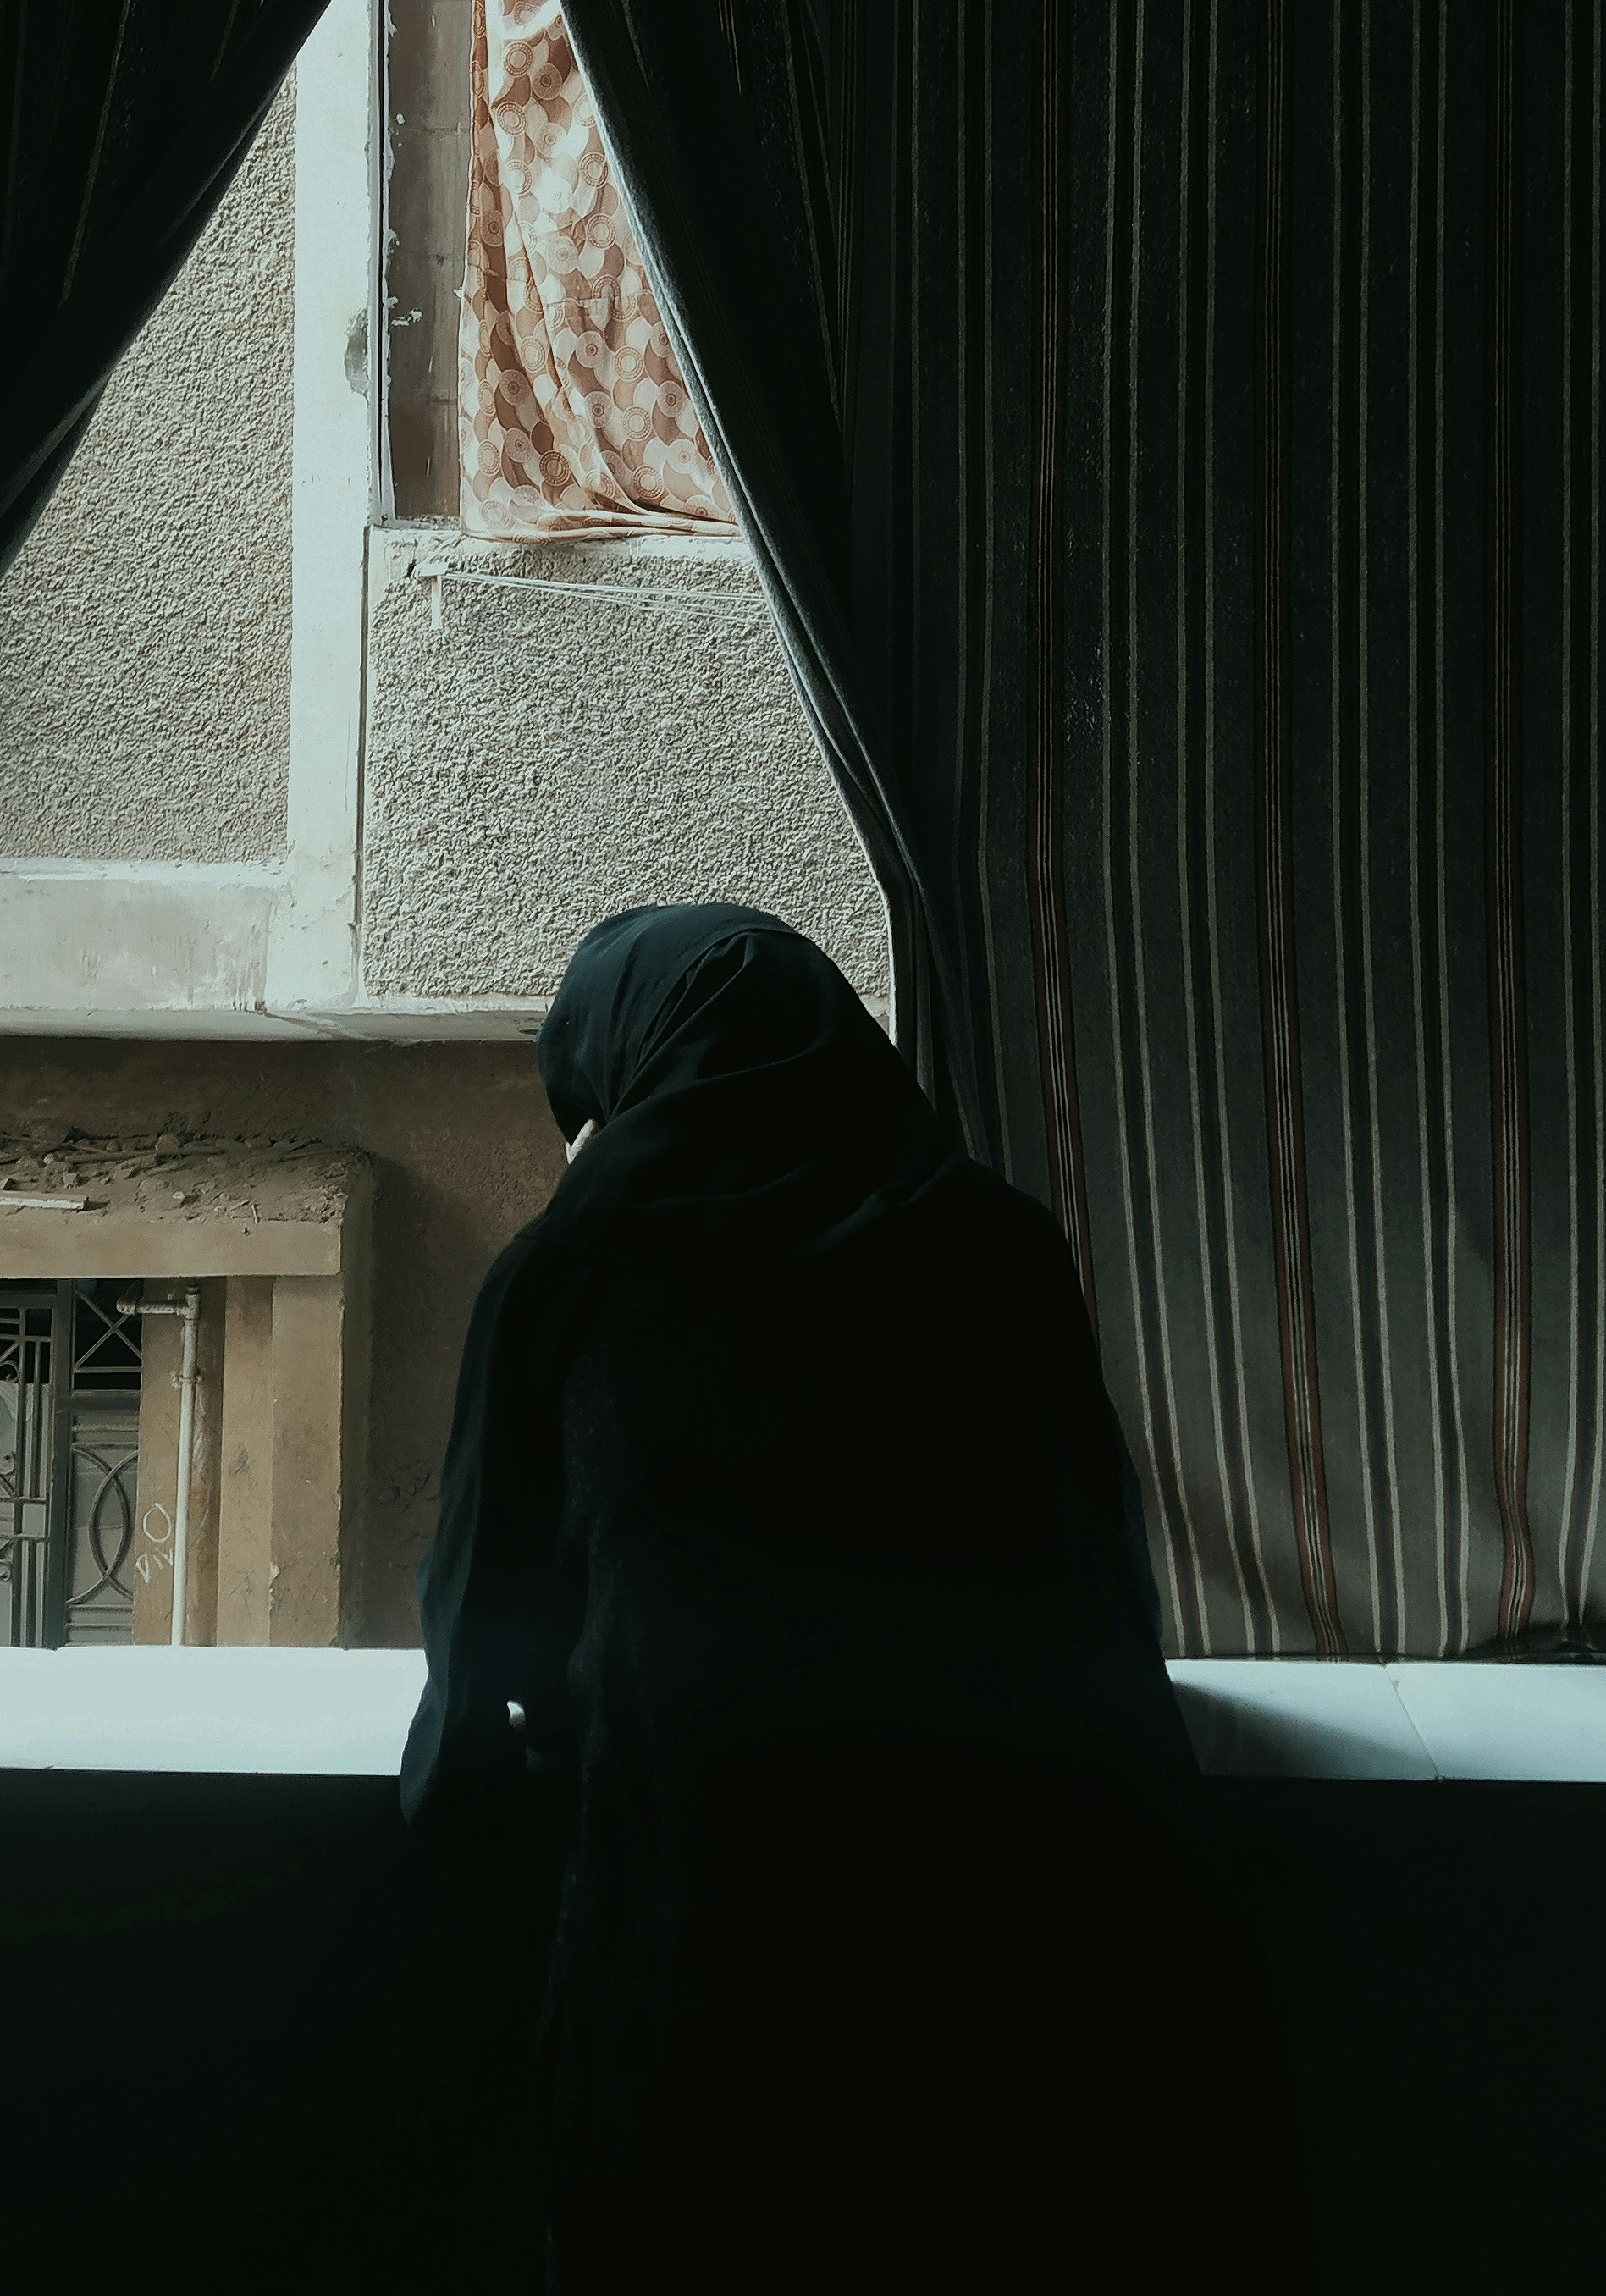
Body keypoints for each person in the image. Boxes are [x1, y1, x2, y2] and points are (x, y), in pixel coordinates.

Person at [401, 902, 1304, 2293]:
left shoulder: (569, 1277)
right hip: (1056, 1961)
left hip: (723, 1977)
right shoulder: (996, 1247)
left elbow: (477, 1650)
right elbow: (1106, 1564)